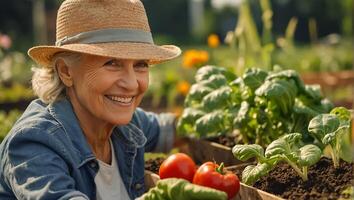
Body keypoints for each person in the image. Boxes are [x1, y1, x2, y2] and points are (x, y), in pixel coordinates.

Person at [0, 0, 228, 199]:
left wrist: (227, 115)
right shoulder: (34, 143)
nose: (131, 84)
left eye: (140, 65)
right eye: (111, 63)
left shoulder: (124, 126)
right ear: (66, 71)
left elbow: (172, 129)